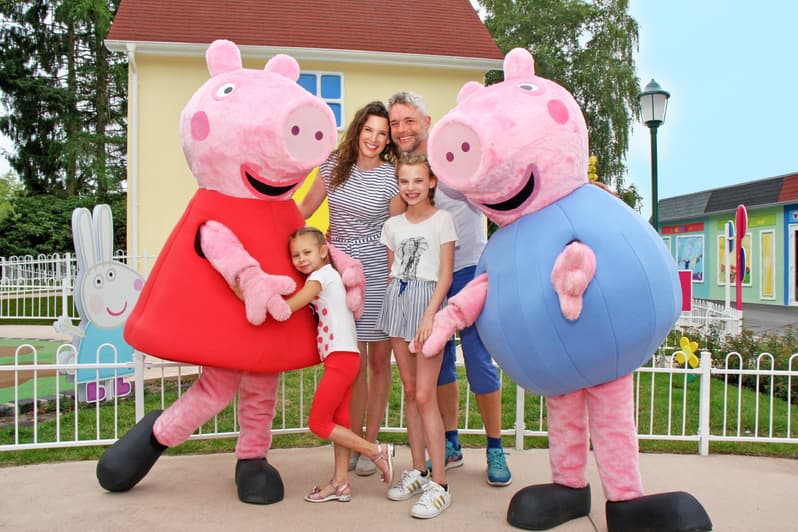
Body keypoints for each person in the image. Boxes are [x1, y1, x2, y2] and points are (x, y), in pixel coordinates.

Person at [387, 91, 512, 486]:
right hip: (426, 280)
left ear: (427, 122)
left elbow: (494, 190)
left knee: (477, 357)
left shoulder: (451, 153)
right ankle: (452, 441)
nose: (402, 128)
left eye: (409, 120)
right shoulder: (407, 170)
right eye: (395, 122)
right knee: (438, 362)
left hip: (467, 268)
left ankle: (495, 446)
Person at [299, 101, 403, 476]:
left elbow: (396, 230)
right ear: (357, 129)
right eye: (369, 130)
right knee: (351, 364)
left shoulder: (392, 176)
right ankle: (356, 440)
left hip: (379, 272)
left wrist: (397, 279)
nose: (374, 139)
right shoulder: (331, 167)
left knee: (378, 363)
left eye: (382, 133)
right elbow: (304, 210)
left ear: (388, 139)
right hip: (341, 275)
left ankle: (371, 440)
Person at [283, 227, 394, 502]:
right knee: (340, 422)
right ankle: (341, 483)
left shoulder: (321, 276)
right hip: (345, 357)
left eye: (307, 252)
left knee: (318, 422)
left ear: (323, 252)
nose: (301, 259)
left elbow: (290, 307)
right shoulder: (328, 275)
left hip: (342, 359)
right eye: (295, 255)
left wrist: (247, 294)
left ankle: (375, 451)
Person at [377, 153, 456, 519]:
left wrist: (430, 316)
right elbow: (396, 269)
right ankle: (418, 469)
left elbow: (445, 276)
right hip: (398, 299)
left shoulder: (443, 221)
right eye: (404, 181)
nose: (410, 188)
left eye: (417, 180)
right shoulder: (392, 225)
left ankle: (439, 484)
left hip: (428, 304)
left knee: (426, 395)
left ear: (431, 183)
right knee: (410, 392)